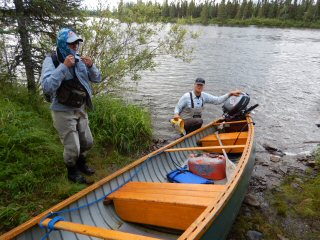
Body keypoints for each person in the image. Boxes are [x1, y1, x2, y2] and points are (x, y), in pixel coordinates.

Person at [41, 28, 102, 184]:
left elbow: (97, 78)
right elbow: (47, 87)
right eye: (71, 44)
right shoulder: (52, 60)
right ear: (62, 44)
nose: (75, 46)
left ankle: (81, 163)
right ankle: (72, 170)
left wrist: (91, 66)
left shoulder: (80, 59)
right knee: (72, 147)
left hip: (80, 108)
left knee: (87, 142)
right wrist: (64, 67)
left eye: (77, 42)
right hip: (62, 111)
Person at [173, 77, 241, 134]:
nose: (199, 86)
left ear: (203, 86)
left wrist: (229, 94)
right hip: (183, 123)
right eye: (198, 85)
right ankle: (186, 135)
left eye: (201, 85)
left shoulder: (204, 96)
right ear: (194, 85)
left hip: (194, 123)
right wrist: (176, 114)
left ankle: (189, 134)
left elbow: (217, 100)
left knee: (198, 121)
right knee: (199, 121)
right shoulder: (186, 96)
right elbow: (177, 108)